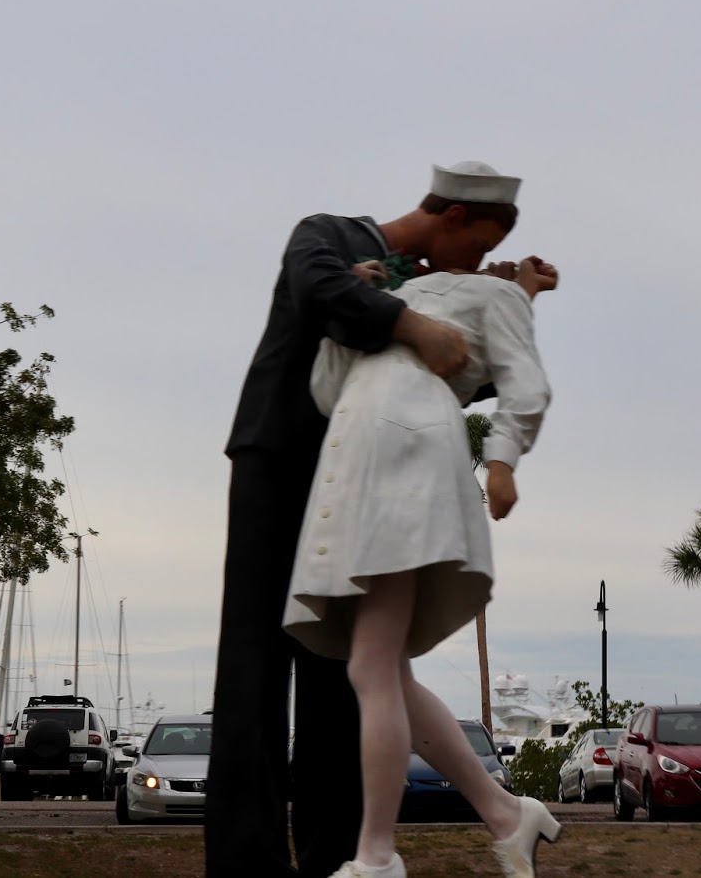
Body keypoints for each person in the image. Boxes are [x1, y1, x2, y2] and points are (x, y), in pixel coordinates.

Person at [206, 162, 539, 878]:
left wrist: (501, 301)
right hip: (277, 460)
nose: (477, 263)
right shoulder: (326, 235)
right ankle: (248, 864)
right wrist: (412, 320)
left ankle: (337, 857)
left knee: (344, 678)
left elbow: (445, 377)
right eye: (478, 248)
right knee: (253, 668)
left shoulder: (427, 283)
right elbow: (319, 291)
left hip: (362, 477)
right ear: (451, 218)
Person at [282, 244, 559, 878]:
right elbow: (329, 390)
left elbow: (521, 379)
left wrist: (502, 459)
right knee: (387, 675)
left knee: (372, 668)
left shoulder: (486, 298)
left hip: (406, 475)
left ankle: (377, 855)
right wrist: (351, 309)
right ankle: (504, 814)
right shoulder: (389, 302)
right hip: (360, 478)